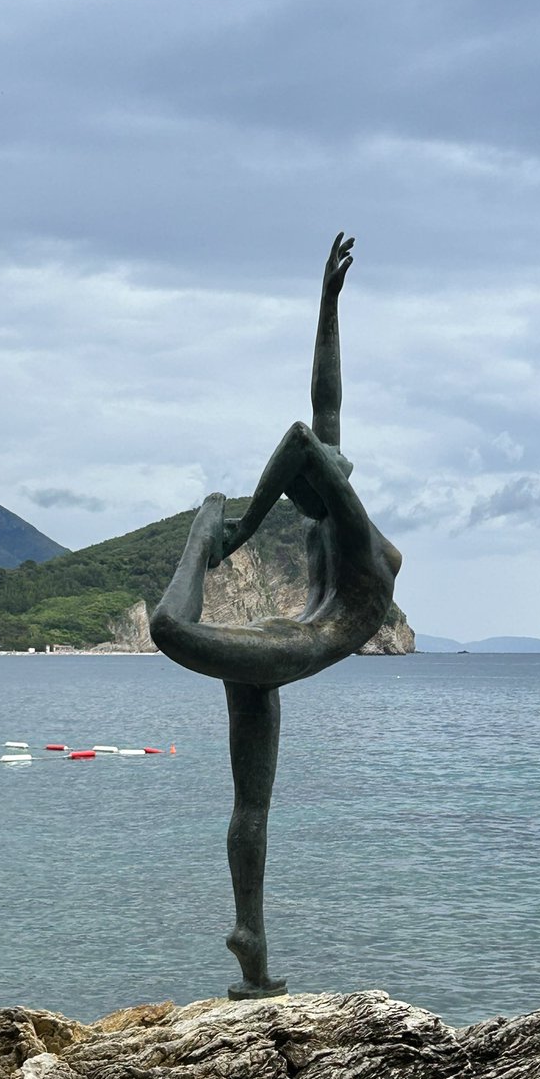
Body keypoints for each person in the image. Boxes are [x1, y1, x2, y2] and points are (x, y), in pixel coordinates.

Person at [150, 233, 401, 998]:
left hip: (282, 646)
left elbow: (314, 421)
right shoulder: (348, 536)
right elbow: (314, 419)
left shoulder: (344, 528)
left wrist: (327, 303)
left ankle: (252, 946)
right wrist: (327, 305)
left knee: (250, 800)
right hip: (290, 645)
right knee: (170, 635)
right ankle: (206, 527)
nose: (334, 463)